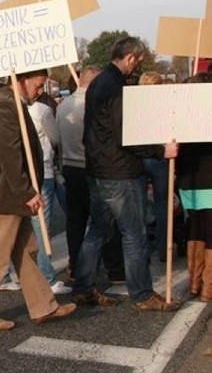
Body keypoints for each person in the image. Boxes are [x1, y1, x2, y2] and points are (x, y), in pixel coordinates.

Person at [0, 69, 76, 330]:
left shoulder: (9, 101)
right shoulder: (4, 105)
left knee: (24, 250)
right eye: (38, 85)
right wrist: (27, 192)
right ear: (22, 80)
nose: (40, 92)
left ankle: (43, 305)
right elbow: (9, 157)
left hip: (9, 192)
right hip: (4, 194)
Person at [73, 36, 179, 311]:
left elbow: (93, 131)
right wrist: (159, 150)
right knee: (134, 233)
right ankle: (142, 294)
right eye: (139, 60)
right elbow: (128, 134)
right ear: (131, 57)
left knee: (97, 230)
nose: (138, 66)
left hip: (99, 168)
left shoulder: (98, 83)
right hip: (120, 171)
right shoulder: (117, 87)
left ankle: (84, 287)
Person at [56, 66, 125, 283]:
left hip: (69, 165)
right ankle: (114, 268)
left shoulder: (63, 106)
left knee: (76, 221)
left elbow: (56, 139)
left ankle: (76, 265)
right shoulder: (94, 104)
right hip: (92, 166)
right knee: (104, 220)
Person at [28, 91, 71, 294]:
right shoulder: (42, 110)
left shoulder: (17, 109)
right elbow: (55, 137)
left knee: (29, 228)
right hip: (43, 170)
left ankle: (15, 274)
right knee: (42, 228)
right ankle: (47, 276)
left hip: (26, 173)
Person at [178, 72, 212, 301]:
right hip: (209, 179)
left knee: (196, 227)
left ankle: (194, 282)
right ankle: (209, 287)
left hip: (188, 181)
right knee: (210, 231)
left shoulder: (182, 116)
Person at [138, 71, 170, 262]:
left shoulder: (137, 107)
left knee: (140, 207)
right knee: (162, 205)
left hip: (140, 158)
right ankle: (163, 250)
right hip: (160, 157)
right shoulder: (166, 107)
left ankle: (143, 253)